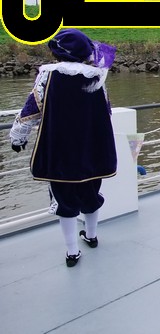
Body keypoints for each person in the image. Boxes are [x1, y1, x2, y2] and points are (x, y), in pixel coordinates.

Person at [9, 28, 117, 267]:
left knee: (64, 200)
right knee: (91, 193)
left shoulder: (49, 76)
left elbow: (32, 109)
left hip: (61, 150)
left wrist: (17, 137)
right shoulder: (97, 77)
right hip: (92, 148)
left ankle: (72, 251)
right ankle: (91, 236)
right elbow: (106, 111)